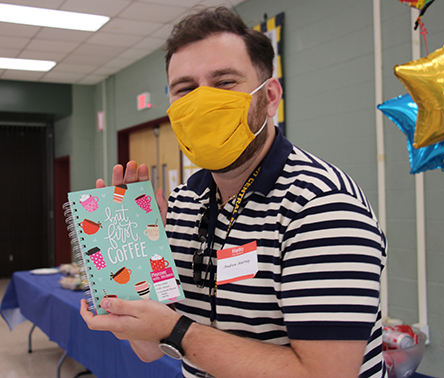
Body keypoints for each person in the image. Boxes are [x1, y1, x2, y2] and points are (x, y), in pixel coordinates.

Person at [80, 6, 387, 378]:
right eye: (186, 89)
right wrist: (137, 267)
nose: (203, 102)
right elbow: (147, 349)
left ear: (270, 96)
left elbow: (326, 374)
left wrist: (174, 331)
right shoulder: (181, 204)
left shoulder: (321, 206)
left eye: (224, 82)